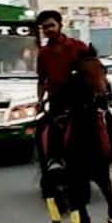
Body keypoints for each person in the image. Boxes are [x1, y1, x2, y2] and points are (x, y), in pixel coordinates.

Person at [36, 10, 90, 173]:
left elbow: (93, 69)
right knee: (52, 125)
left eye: (51, 25)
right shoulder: (43, 53)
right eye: (45, 28)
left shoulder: (78, 46)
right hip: (58, 98)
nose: (49, 30)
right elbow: (42, 80)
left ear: (60, 25)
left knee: (105, 118)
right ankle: (54, 159)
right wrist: (40, 101)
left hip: (81, 96)